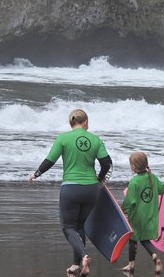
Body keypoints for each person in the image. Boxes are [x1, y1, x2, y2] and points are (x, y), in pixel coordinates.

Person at [28, 109, 112, 276]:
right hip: (91, 189)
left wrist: (36, 174)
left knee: (68, 227)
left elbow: (49, 160)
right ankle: (76, 265)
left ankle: (84, 256)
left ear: (71, 122)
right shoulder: (95, 140)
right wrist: (100, 179)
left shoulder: (63, 138)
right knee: (80, 226)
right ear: (86, 121)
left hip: (71, 188)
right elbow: (106, 163)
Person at [121, 151, 164, 274]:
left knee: (133, 239)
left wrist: (122, 211)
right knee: (144, 239)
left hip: (137, 217)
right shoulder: (153, 177)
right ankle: (154, 257)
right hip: (151, 216)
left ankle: (131, 264)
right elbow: (162, 190)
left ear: (134, 167)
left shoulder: (135, 181)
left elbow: (130, 201)